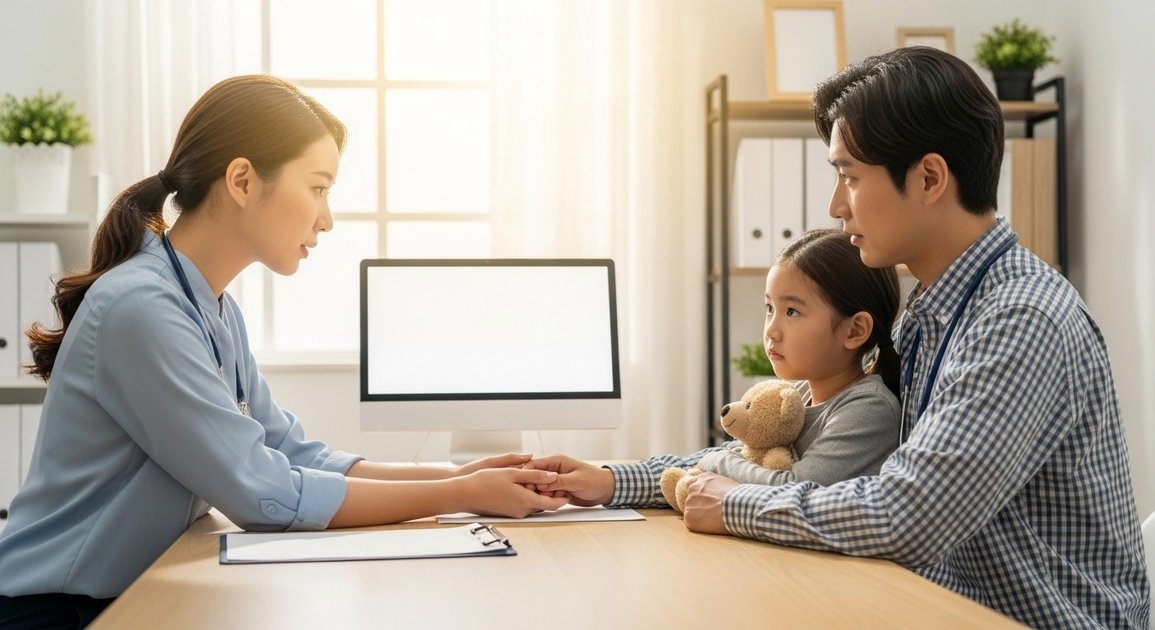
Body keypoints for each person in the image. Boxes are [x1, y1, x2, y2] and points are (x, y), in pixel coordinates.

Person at [0, 75, 566, 628]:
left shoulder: (212, 306)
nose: (327, 218)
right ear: (242, 181)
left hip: (130, 595)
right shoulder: (142, 308)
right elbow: (264, 493)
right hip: (54, 610)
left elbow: (291, 451)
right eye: (318, 187)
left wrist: (453, 473)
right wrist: (459, 493)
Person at [673, 47, 1148, 628]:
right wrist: (622, 481)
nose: (835, 206)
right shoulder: (931, 309)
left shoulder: (1020, 319)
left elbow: (907, 515)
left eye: (849, 176)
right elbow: (808, 468)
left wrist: (733, 503)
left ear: (928, 178)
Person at [529, 228, 901, 508]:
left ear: (854, 331)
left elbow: (791, 489)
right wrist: (608, 481)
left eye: (792, 312)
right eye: (769, 308)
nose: (771, 329)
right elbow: (720, 462)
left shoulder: (867, 411)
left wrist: (717, 461)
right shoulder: (799, 395)